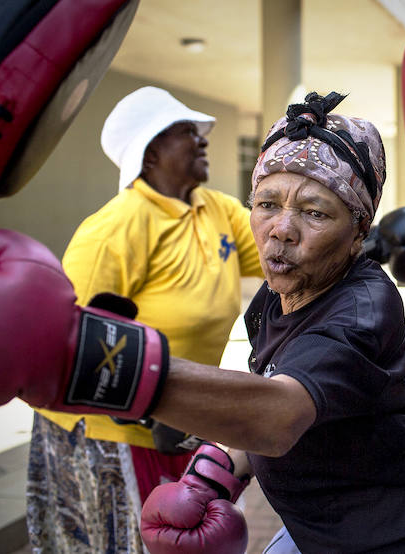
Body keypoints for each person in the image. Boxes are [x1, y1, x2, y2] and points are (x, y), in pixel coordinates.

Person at [0, 91, 405, 553]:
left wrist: (83, 361)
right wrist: (213, 473)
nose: (281, 229)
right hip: (325, 528)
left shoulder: (364, 309)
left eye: (315, 212)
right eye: (266, 204)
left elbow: (279, 413)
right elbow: (266, 392)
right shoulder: (274, 299)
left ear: (359, 229)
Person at [26, 86, 263, 553]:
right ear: (151, 150)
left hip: (179, 419)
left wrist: (356, 237)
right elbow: (68, 341)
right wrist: (143, 405)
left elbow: (277, 255)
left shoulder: (214, 209)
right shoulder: (116, 226)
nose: (202, 139)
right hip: (108, 435)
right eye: (186, 132)